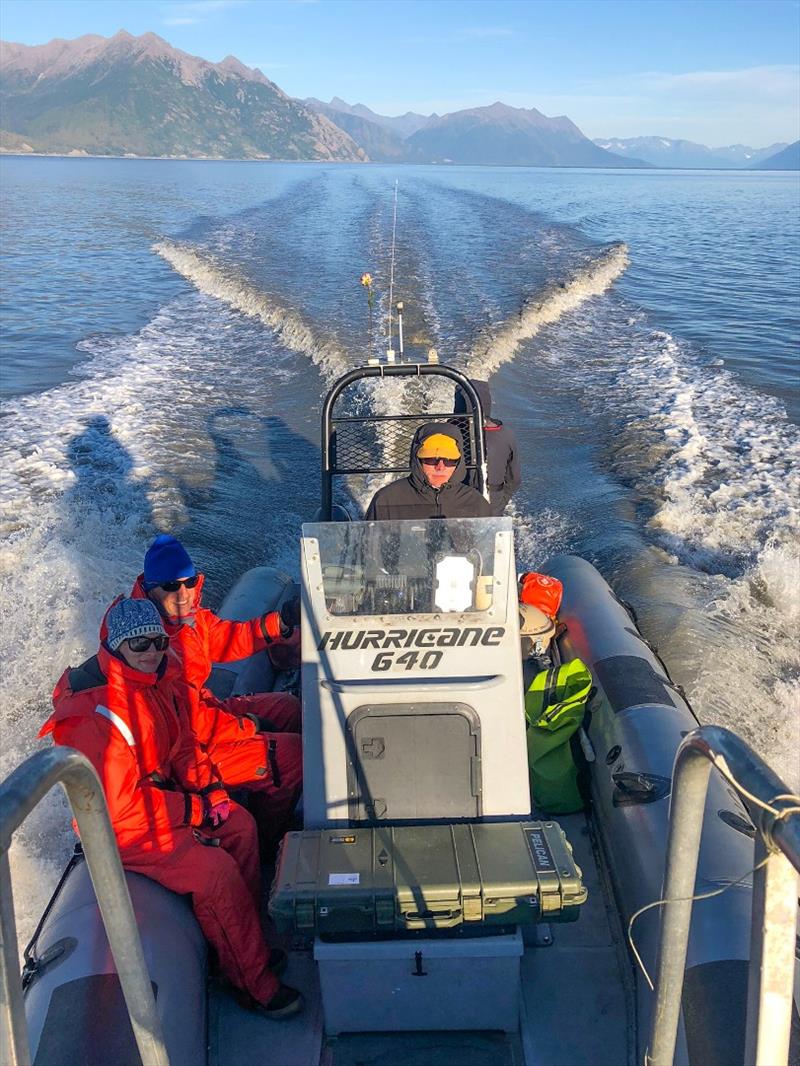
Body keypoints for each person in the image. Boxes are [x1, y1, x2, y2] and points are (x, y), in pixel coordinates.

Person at [40, 598, 302, 1019]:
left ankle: (242, 944)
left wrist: (211, 791)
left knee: (240, 827)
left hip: (165, 799)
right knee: (213, 874)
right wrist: (193, 812)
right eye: (139, 644)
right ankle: (252, 985)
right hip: (120, 827)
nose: (152, 651)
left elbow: (183, 748)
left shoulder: (160, 677)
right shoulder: (93, 719)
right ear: (114, 646)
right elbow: (119, 809)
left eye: (159, 641)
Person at [125, 535, 303, 844]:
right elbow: (183, 726)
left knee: (288, 708)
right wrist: (249, 726)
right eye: (170, 586)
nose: (182, 593)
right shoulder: (145, 645)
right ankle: (268, 844)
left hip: (204, 713)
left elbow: (228, 638)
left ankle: (271, 802)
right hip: (180, 752)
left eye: (188, 582)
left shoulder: (187, 621)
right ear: (150, 589)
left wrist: (283, 621)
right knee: (292, 757)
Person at [365, 423, 492, 521]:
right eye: (431, 459)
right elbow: (368, 549)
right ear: (418, 459)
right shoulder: (385, 500)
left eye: (449, 460)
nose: (440, 467)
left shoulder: (475, 502)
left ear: (459, 462)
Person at [454, 379, 521, 516]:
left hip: (456, 499)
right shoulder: (506, 435)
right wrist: (500, 502)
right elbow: (514, 479)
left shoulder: (451, 433)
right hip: (493, 500)